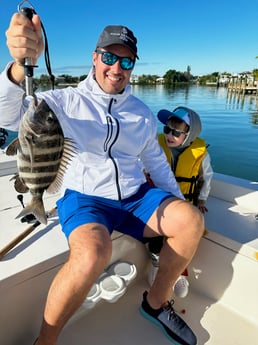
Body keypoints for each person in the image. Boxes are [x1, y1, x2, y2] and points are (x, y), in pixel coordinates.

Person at [0, 12, 204, 345]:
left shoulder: (140, 112)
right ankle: (46, 339)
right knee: (93, 253)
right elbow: (6, 114)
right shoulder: (61, 101)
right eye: (109, 57)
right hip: (85, 197)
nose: (117, 68)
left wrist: (179, 205)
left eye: (127, 61)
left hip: (136, 197)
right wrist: (19, 66)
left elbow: (155, 161)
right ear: (94, 58)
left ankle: (155, 303)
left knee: (190, 221)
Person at [145, 106, 213, 298]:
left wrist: (201, 199)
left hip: (184, 201)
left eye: (176, 132)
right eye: (167, 129)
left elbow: (207, 177)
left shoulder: (201, 153)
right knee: (155, 231)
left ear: (190, 135)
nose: (169, 135)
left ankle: (179, 272)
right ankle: (156, 265)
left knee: (187, 234)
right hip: (159, 199)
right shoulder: (156, 146)